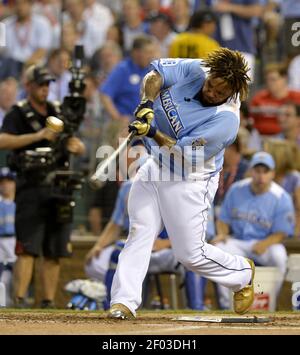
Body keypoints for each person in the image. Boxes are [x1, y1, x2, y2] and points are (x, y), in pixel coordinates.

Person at [108, 48, 255, 320]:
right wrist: (146, 105)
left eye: (220, 92)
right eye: (212, 85)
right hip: (155, 165)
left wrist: (152, 131)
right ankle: (124, 302)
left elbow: (185, 156)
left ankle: (241, 273)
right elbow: (155, 75)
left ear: (232, 92)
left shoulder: (226, 120)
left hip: (189, 179)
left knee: (190, 254)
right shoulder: (198, 69)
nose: (211, 92)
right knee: (139, 231)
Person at [0, 65, 85, 308]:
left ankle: (47, 301)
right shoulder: (18, 113)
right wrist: (37, 137)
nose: (44, 89)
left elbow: (73, 139)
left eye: (47, 85)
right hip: (31, 185)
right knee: (27, 248)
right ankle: (19, 300)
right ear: (28, 86)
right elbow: (3, 140)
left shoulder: (58, 111)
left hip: (59, 186)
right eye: (40, 85)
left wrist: (77, 146)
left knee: (55, 249)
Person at [213, 152, 295, 309]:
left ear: (273, 174)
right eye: (257, 171)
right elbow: (223, 220)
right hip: (238, 241)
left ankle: (270, 302)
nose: (261, 176)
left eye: (266, 171)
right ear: (251, 171)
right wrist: (222, 234)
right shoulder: (236, 189)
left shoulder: (281, 197)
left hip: (266, 243)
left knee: (279, 256)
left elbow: (282, 232)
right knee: (220, 250)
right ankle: (226, 306)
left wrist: (265, 243)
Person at [0, 167, 16, 307]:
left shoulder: (20, 203)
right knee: (2, 280)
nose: (5, 185)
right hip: (1, 242)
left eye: (9, 181)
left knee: (16, 280)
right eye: (2, 182)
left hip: (16, 241)